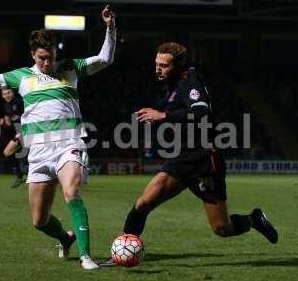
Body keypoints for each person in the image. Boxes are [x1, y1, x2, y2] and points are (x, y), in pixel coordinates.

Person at [0, 5, 116, 270]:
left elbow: (105, 58)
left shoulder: (70, 68)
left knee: (72, 191)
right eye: (42, 57)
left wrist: (110, 27)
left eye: (50, 56)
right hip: (39, 152)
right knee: (39, 220)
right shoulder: (21, 76)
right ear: (33, 54)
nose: (47, 62)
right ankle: (65, 238)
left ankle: (87, 256)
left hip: (69, 145)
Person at [104, 42, 277, 265]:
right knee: (143, 203)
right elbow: (171, 108)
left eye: (164, 65)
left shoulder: (189, 80)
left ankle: (254, 220)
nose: (158, 69)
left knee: (222, 228)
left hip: (204, 160)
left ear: (178, 66)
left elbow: (201, 111)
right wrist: (154, 114)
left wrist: (163, 117)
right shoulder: (173, 87)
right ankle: (121, 253)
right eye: (156, 64)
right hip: (182, 158)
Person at [0, 88, 26, 188]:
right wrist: (4, 121)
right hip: (19, 133)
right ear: (2, 96)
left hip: (28, 131)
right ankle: (20, 176)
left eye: (8, 93)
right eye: (4, 94)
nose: (7, 95)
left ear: (13, 93)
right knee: (7, 152)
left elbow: (29, 115)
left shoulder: (19, 102)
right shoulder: (6, 106)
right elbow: (9, 121)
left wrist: (23, 130)